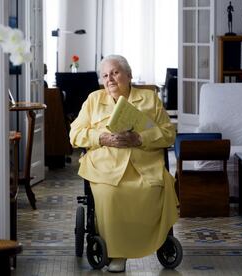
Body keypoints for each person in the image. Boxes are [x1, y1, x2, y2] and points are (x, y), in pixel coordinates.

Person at [69, 55, 178, 272]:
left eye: (115, 73)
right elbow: (75, 134)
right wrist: (102, 138)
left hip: (144, 165)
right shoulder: (93, 100)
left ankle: (153, 241)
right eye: (105, 75)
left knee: (154, 190)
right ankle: (117, 253)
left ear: (128, 75)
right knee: (111, 195)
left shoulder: (149, 98)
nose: (110, 79)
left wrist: (140, 138)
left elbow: (168, 134)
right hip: (105, 167)